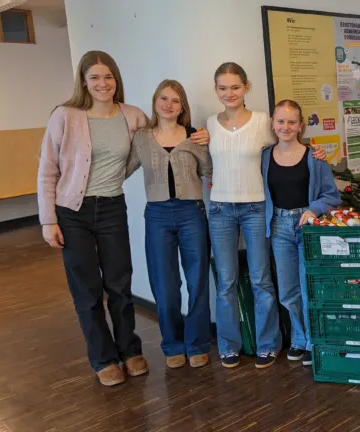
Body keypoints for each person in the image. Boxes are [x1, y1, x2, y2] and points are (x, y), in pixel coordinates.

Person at [37, 50, 209, 387]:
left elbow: (161, 140)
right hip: (72, 211)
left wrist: (199, 136)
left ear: (117, 80)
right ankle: (104, 359)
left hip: (113, 207)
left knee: (119, 284)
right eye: (94, 77)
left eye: (108, 77)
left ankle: (130, 350)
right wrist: (48, 219)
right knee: (87, 290)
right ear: (84, 81)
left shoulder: (133, 117)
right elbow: (47, 169)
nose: (102, 84)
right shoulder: (65, 115)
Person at [206, 62, 327, 369]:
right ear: (216, 90)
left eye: (236, 86)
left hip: (257, 210)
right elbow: (210, 162)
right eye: (223, 87)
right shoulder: (209, 125)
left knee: (263, 280)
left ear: (246, 87)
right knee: (227, 282)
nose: (230, 93)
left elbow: (290, 150)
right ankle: (228, 346)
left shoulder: (261, 121)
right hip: (222, 210)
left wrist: (318, 152)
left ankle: (271, 344)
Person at [126, 80, 212, 370]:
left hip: (192, 213)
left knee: (197, 281)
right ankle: (173, 344)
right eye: (164, 98)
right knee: (165, 284)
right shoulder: (142, 138)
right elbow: (121, 169)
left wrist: (207, 143)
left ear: (182, 107)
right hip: (158, 216)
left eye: (175, 100)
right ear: (155, 101)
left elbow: (209, 170)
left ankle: (197, 344)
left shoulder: (194, 136)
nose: (168, 105)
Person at [261, 100, 341, 366]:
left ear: (300, 125)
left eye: (291, 122)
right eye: (280, 121)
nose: (285, 127)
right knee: (287, 289)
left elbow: (331, 196)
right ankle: (298, 337)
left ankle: (312, 343)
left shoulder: (314, 158)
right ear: (272, 123)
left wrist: (314, 210)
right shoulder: (264, 157)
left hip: (307, 227)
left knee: (309, 287)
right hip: (278, 227)